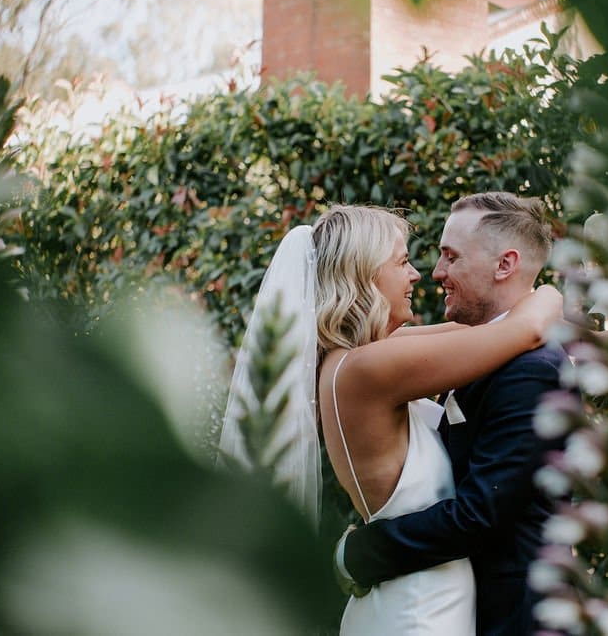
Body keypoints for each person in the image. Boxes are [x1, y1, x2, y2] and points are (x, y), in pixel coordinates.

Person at [221, 203, 563, 635]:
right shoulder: (368, 370)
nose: (419, 274)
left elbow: (493, 327)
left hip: (421, 593)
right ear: (364, 275)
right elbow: (524, 329)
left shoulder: (360, 359)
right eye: (402, 262)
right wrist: (550, 292)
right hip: (419, 608)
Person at [336, 192, 573, 635]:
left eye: (451, 256)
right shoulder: (481, 350)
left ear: (504, 265)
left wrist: (359, 554)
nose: (436, 272)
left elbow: (480, 513)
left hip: (516, 618)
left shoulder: (531, 371)